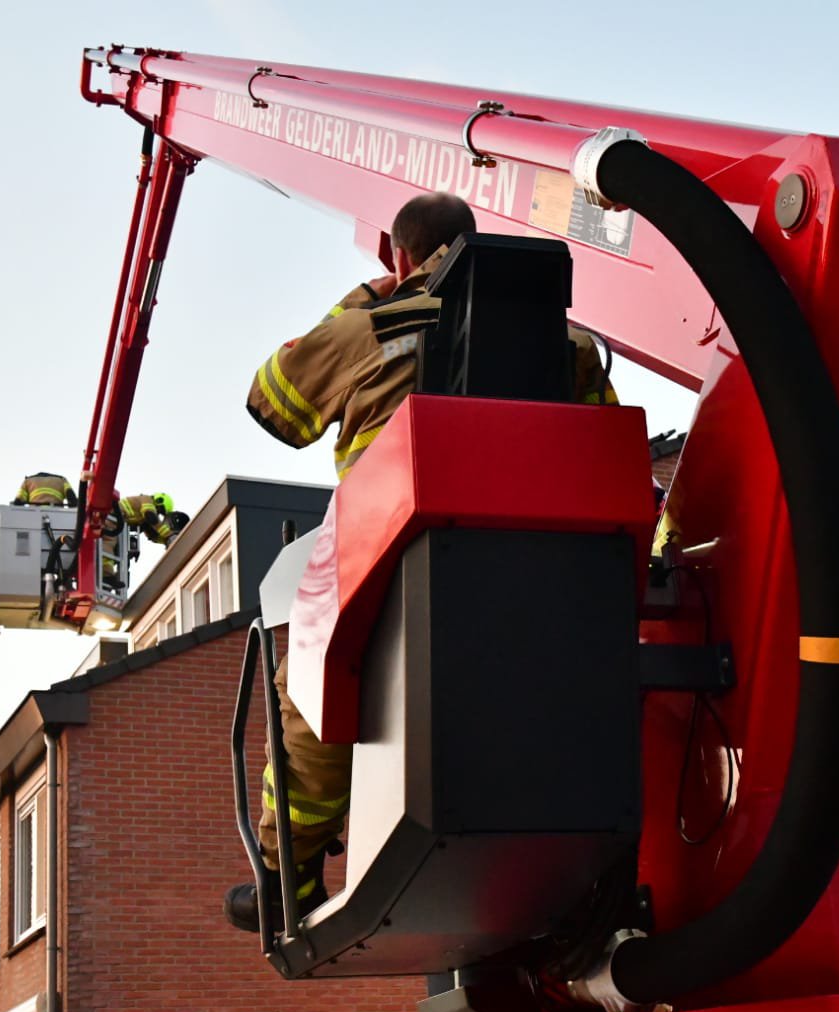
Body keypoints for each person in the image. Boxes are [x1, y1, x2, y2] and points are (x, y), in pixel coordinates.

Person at [225, 192, 617, 933]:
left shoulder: (365, 329)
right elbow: (601, 439)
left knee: (309, 698)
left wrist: (364, 299)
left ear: (402, 258)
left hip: (389, 555)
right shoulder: (565, 344)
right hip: (550, 572)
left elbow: (271, 405)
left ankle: (289, 872)